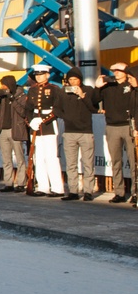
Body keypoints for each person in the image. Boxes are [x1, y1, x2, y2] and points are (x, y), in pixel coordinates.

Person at [94, 62, 138, 203]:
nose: (116, 72)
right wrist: (97, 87)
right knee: (116, 161)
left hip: (128, 125)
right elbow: (93, 101)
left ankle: (135, 192)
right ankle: (119, 192)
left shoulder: (131, 85)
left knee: (133, 160)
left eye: (119, 70)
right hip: (112, 126)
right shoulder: (108, 86)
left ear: (126, 72)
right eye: (114, 70)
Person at [24, 63, 64, 198]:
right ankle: (43, 186)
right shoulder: (32, 90)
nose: (39, 77)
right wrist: (30, 122)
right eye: (37, 75)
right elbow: (28, 109)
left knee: (51, 157)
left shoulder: (54, 89)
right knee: (38, 158)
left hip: (48, 126)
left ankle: (57, 188)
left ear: (47, 75)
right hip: (35, 126)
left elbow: (57, 109)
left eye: (41, 75)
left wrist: (44, 120)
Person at [59, 66, 98, 201]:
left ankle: (88, 191)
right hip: (69, 131)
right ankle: (73, 191)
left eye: (75, 79)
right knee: (71, 163)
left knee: (88, 162)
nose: (73, 82)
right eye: (70, 79)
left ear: (80, 80)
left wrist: (82, 95)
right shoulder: (63, 91)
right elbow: (57, 108)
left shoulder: (88, 90)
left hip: (85, 131)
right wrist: (66, 117)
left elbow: (93, 108)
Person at [0, 75, 28, 192]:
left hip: (15, 129)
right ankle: (8, 183)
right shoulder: (1, 96)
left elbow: (23, 112)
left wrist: (12, 99)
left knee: (20, 158)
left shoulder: (20, 94)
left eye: (4, 85)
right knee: (6, 159)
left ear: (10, 85)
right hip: (3, 130)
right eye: (1, 85)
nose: (2, 87)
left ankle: (21, 183)